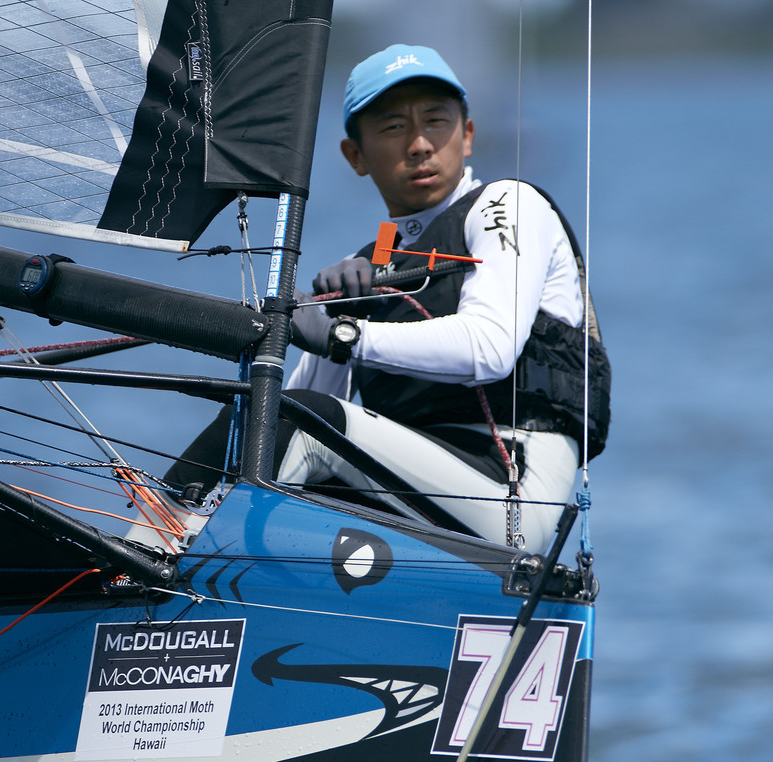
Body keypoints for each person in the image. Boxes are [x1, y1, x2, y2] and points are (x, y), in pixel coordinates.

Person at [172, 43, 608, 554]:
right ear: (355, 156)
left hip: (512, 495)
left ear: (467, 135)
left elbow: (490, 348)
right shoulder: (373, 258)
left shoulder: (508, 204)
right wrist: (339, 311)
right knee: (258, 416)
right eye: (394, 127)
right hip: (420, 492)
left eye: (436, 121)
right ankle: (134, 558)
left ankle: (161, 560)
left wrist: (342, 334)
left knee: (297, 421)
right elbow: (291, 415)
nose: (420, 144)